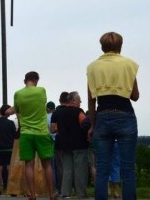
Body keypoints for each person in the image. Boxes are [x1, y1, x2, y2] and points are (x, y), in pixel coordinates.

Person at [87, 31, 139, 200]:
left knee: (102, 168)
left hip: (102, 116)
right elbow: (135, 96)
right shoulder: (129, 65)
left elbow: (91, 100)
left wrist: (93, 125)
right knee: (127, 168)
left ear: (102, 47)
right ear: (120, 46)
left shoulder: (92, 67)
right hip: (125, 116)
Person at [6, 71, 56, 200]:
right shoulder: (41, 91)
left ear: (24, 80)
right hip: (41, 132)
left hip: (26, 133)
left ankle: (32, 195)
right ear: (37, 80)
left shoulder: (18, 94)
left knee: (29, 165)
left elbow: (16, 109)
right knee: (47, 165)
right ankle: (52, 194)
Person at [50, 91, 88, 198]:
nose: (80, 102)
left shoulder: (57, 113)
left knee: (67, 169)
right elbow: (85, 124)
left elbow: (53, 129)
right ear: (73, 100)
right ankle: (81, 193)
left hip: (64, 145)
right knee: (80, 169)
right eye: (79, 100)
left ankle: (65, 192)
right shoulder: (79, 112)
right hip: (79, 144)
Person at [0, 104, 16, 195]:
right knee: (10, 169)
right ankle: (12, 189)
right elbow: (15, 135)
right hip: (9, 148)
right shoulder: (11, 123)